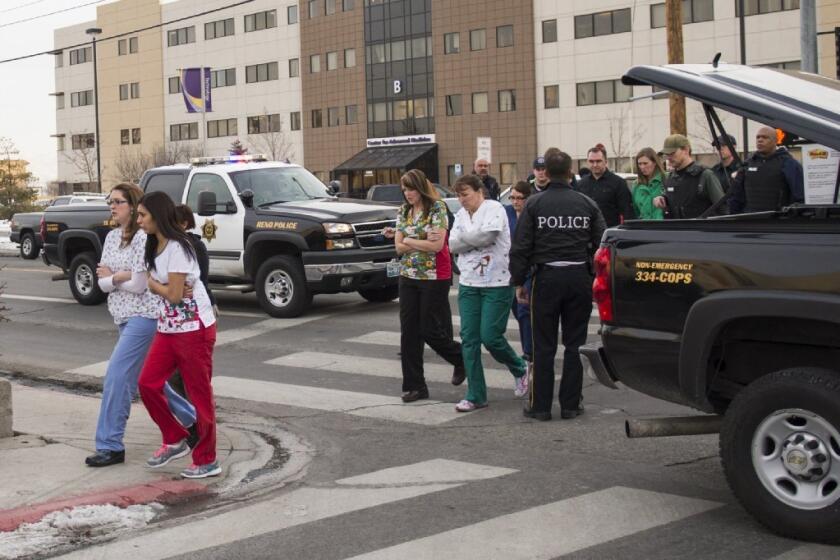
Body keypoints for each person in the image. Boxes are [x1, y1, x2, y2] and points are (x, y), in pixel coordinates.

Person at [85, 184, 196, 468]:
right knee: (146, 380)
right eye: (110, 201)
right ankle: (191, 421)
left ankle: (110, 444)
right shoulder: (110, 237)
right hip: (122, 317)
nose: (112, 206)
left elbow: (137, 285)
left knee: (117, 378)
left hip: (144, 317)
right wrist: (115, 278)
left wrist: (115, 276)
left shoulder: (142, 239)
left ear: (134, 207)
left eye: (118, 201)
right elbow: (101, 282)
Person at [510, 148, 606, 421]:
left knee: (543, 345)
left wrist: (519, 281)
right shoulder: (586, 203)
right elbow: (602, 243)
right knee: (575, 344)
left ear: (547, 173)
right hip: (578, 278)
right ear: (570, 172)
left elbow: (521, 246)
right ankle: (571, 405)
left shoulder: (534, 205)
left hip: (547, 278)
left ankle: (540, 406)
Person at [136, 191, 220, 479]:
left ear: (158, 216)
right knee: (147, 384)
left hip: (195, 330)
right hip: (168, 328)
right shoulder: (152, 246)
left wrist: (154, 285)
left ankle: (207, 460)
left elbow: (172, 295)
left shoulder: (179, 247)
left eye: (143, 215)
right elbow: (169, 292)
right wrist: (160, 286)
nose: (139, 221)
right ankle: (174, 437)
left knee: (199, 396)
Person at [449, 174, 529, 413]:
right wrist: (469, 240)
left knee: (490, 336)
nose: (461, 200)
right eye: (458, 195)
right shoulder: (460, 215)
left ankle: (520, 368)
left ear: (479, 191)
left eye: (465, 194)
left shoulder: (495, 208)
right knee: (469, 340)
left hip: (497, 281)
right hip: (469, 283)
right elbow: (452, 244)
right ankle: (476, 395)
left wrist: (466, 239)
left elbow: (489, 236)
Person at [386, 169, 464, 403]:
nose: (408, 194)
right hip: (408, 275)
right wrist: (414, 241)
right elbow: (398, 247)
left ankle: (462, 359)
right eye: (405, 189)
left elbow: (437, 246)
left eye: (411, 189)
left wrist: (408, 240)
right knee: (409, 332)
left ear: (420, 187)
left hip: (434, 276)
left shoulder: (437, 208)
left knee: (430, 329)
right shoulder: (404, 210)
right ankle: (415, 386)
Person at [729, 126, 804, 214]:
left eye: (765, 137)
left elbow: (799, 197)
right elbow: (736, 196)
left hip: (777, 222)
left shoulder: (788, 163)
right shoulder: (748, 163)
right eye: (758, 137)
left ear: (775, 141)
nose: (760, 140)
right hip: (750, 221)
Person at [653, 134, 725, 219]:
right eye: (666, 154)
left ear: (686, 150)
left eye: (672, 153)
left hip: (701, 230)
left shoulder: (705, 175)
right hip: (677, 230)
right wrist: (663, 199)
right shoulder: (670, 178)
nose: (668, 157)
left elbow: (723, 209)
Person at [504, 181, 533, 365]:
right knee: (516, 309)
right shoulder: (506, 213)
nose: (515, 201)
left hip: (528, 269)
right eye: (512, 197)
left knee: (524, 310)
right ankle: (529, 344)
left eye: (519, 198)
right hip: (509, 269)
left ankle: (528, 351)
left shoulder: (531, 215)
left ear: (527, 198)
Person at [574, 144, 635, 227]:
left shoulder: (619, 183)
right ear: (587, 162)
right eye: (591, 161)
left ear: (606, 162)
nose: (595, 164)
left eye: (598, 161)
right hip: (586, 235)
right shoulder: (581, 184)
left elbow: (627, 213)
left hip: (610, 234)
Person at [174, 204, 217, 316]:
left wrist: (211, 302)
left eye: (173, 222)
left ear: (184, 224)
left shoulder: (196, 245)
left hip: (194, 306)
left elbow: (202, 278)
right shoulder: (167, 244)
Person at [632, 148, 666, 220]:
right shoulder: (636, 185)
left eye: (645, 163)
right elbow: (635, 211)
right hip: (644, 228)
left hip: (664, 227)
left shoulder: (666, 179)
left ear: (654, 162)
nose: (642, 167)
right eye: (639, 164)